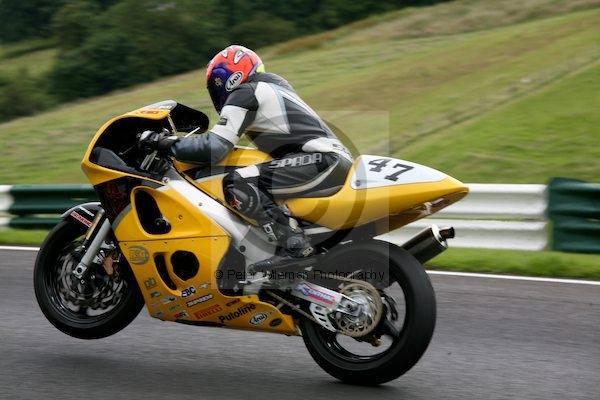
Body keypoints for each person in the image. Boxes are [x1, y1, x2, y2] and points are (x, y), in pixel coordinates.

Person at [142, 45, 352, 270]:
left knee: (237, 182)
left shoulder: (246, 93)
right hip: (326, 159)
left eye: (216, 85)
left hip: (321, 160)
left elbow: (214, 147)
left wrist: (165, 143)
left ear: (229, 79)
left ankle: (295, 247)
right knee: (254, 174)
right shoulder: (270, 88)